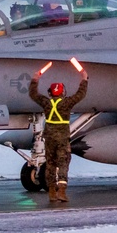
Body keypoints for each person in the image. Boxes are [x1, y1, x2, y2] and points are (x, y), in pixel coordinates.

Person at [28, 64, 89, 202]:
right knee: (63, 163)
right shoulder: (66, 103)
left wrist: (35, 79)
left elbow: (33, 94)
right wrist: (84, 79)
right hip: (62, 138)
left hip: (49, 137)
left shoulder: (46, 103)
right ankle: (61, 191)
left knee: (50, 163)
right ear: (62, 92)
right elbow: (81, 94)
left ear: (50, 92)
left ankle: (51, 192)